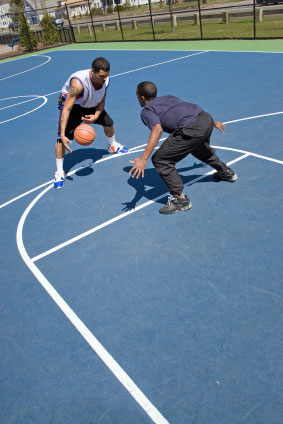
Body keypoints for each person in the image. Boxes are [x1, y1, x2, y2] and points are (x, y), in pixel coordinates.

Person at [130, 81, 238, 214]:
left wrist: (143, 158)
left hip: (191, 128)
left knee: (160, 160)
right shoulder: (168, 97)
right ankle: (226, 172)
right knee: (199, 148)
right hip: (205, 118)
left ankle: (180, 200)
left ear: (141, 97)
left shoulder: (147, 111)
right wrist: (213, 122)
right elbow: (186, 109)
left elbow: (157, 129)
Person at [54, 57, 128, 189]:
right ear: (92, 72)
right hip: (73, 107)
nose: (104, 78)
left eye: (106, 75)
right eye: (101, 76)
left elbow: (102, 100)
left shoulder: (105, 81)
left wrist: (96, 115)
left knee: (109, 123)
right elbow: (67, 108)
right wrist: (63, 133)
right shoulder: (78, 84)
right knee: (61, 139)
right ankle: (59, 172)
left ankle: (112, 146)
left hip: (91, 104)